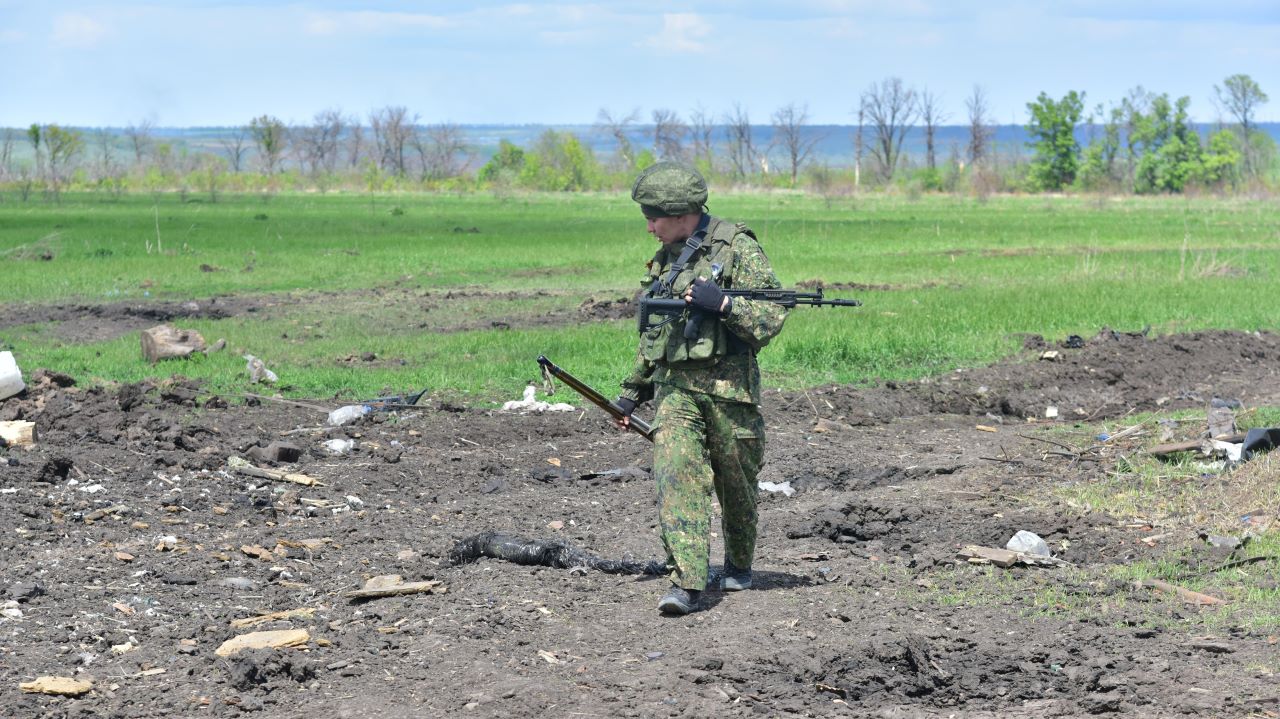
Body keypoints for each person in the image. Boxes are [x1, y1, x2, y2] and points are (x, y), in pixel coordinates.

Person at [614, 162, 788, 615]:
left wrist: (726, 305)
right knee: (677, 476)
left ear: (680, 212)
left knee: (737, 487)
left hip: (731, 393)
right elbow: (659, 331)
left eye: (654, 217)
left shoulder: (737, 248)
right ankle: (686, 584)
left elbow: (771, 319)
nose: (649, 226)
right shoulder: (667, 255)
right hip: (676, 392)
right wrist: (634, 389)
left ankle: (738, 565)